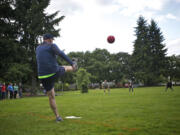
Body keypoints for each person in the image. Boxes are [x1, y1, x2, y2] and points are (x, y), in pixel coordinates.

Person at [36, 33, 77, 122]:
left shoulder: (38, 48)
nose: (52, 41)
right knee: (66, 67)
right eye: (51, 39)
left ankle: (57, 117)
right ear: (49, 39)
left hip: (42, 76)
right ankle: (74, 66)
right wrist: (71, 63)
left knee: (51, 96)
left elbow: (44, 58)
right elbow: (61, 54)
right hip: (53, 72)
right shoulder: (52, 46)